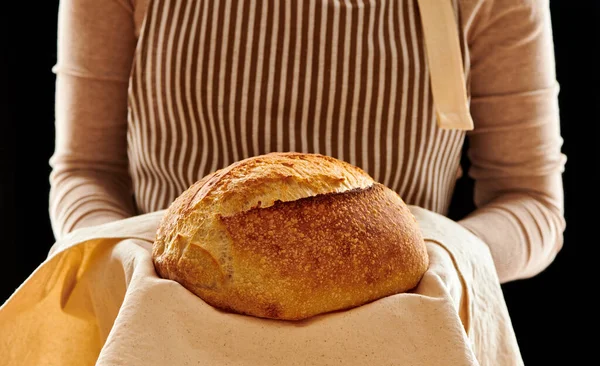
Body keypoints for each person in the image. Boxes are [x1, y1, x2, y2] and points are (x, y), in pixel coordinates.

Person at [49, 0, 565, 289]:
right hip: (162, 359)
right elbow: (86, 170)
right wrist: (122, 259)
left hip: (399, 360)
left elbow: (531, 201)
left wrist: (445, 260)